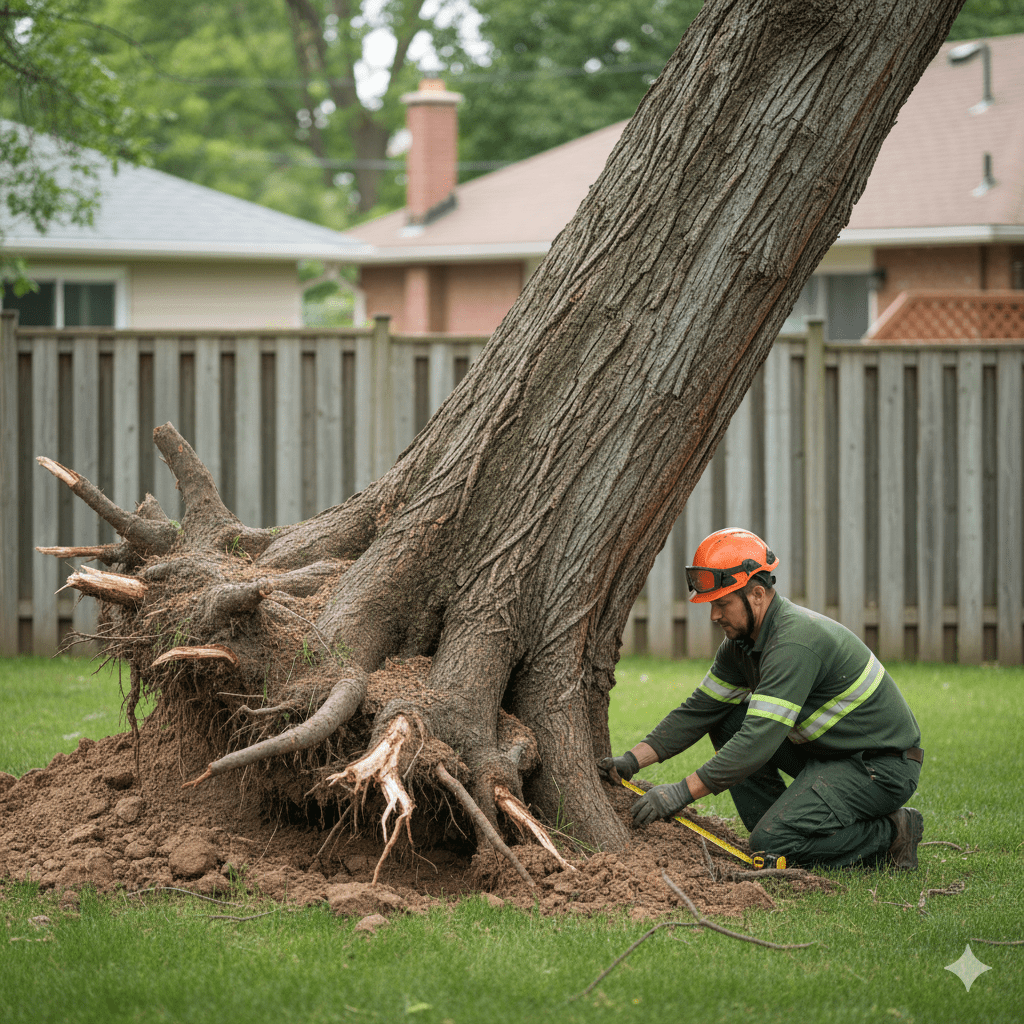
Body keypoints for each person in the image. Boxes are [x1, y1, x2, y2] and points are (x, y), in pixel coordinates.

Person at [599, 527, 924, 870]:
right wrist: (631, 761)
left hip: (880, 767)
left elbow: (758, 739)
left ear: (756, 594)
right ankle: (781, 826)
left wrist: (680, 793)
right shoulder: (742, 646)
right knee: (727, 719)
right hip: (831, 755)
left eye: (722, 603)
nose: (714, 616)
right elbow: (699, 711)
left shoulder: (793, 644)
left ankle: (892, 832)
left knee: (773, 843)